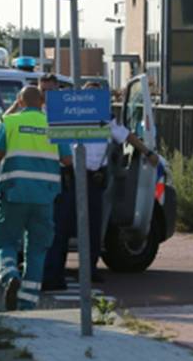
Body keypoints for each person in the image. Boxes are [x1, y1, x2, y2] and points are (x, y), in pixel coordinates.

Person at [42, 81, 159, 291]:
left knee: (93, 227)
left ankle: (89, 270)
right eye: (89, 93)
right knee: (62, 227)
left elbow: (127, 136)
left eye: (96, 94)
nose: (92, 98)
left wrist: (147, 152)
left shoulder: (106, 119)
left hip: (94, 178)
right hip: (70, 177)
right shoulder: (68, 114)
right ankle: (54, 273)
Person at [0, 86, 72, 310]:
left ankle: (10, 275)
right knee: (37, 250)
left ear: (19, 101)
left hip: (14, 193)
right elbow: (67, 160)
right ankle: (27, 305)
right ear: (42, 101)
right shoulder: (54, 125)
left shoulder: (11, 123)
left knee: (5, 241)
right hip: (44, 198)